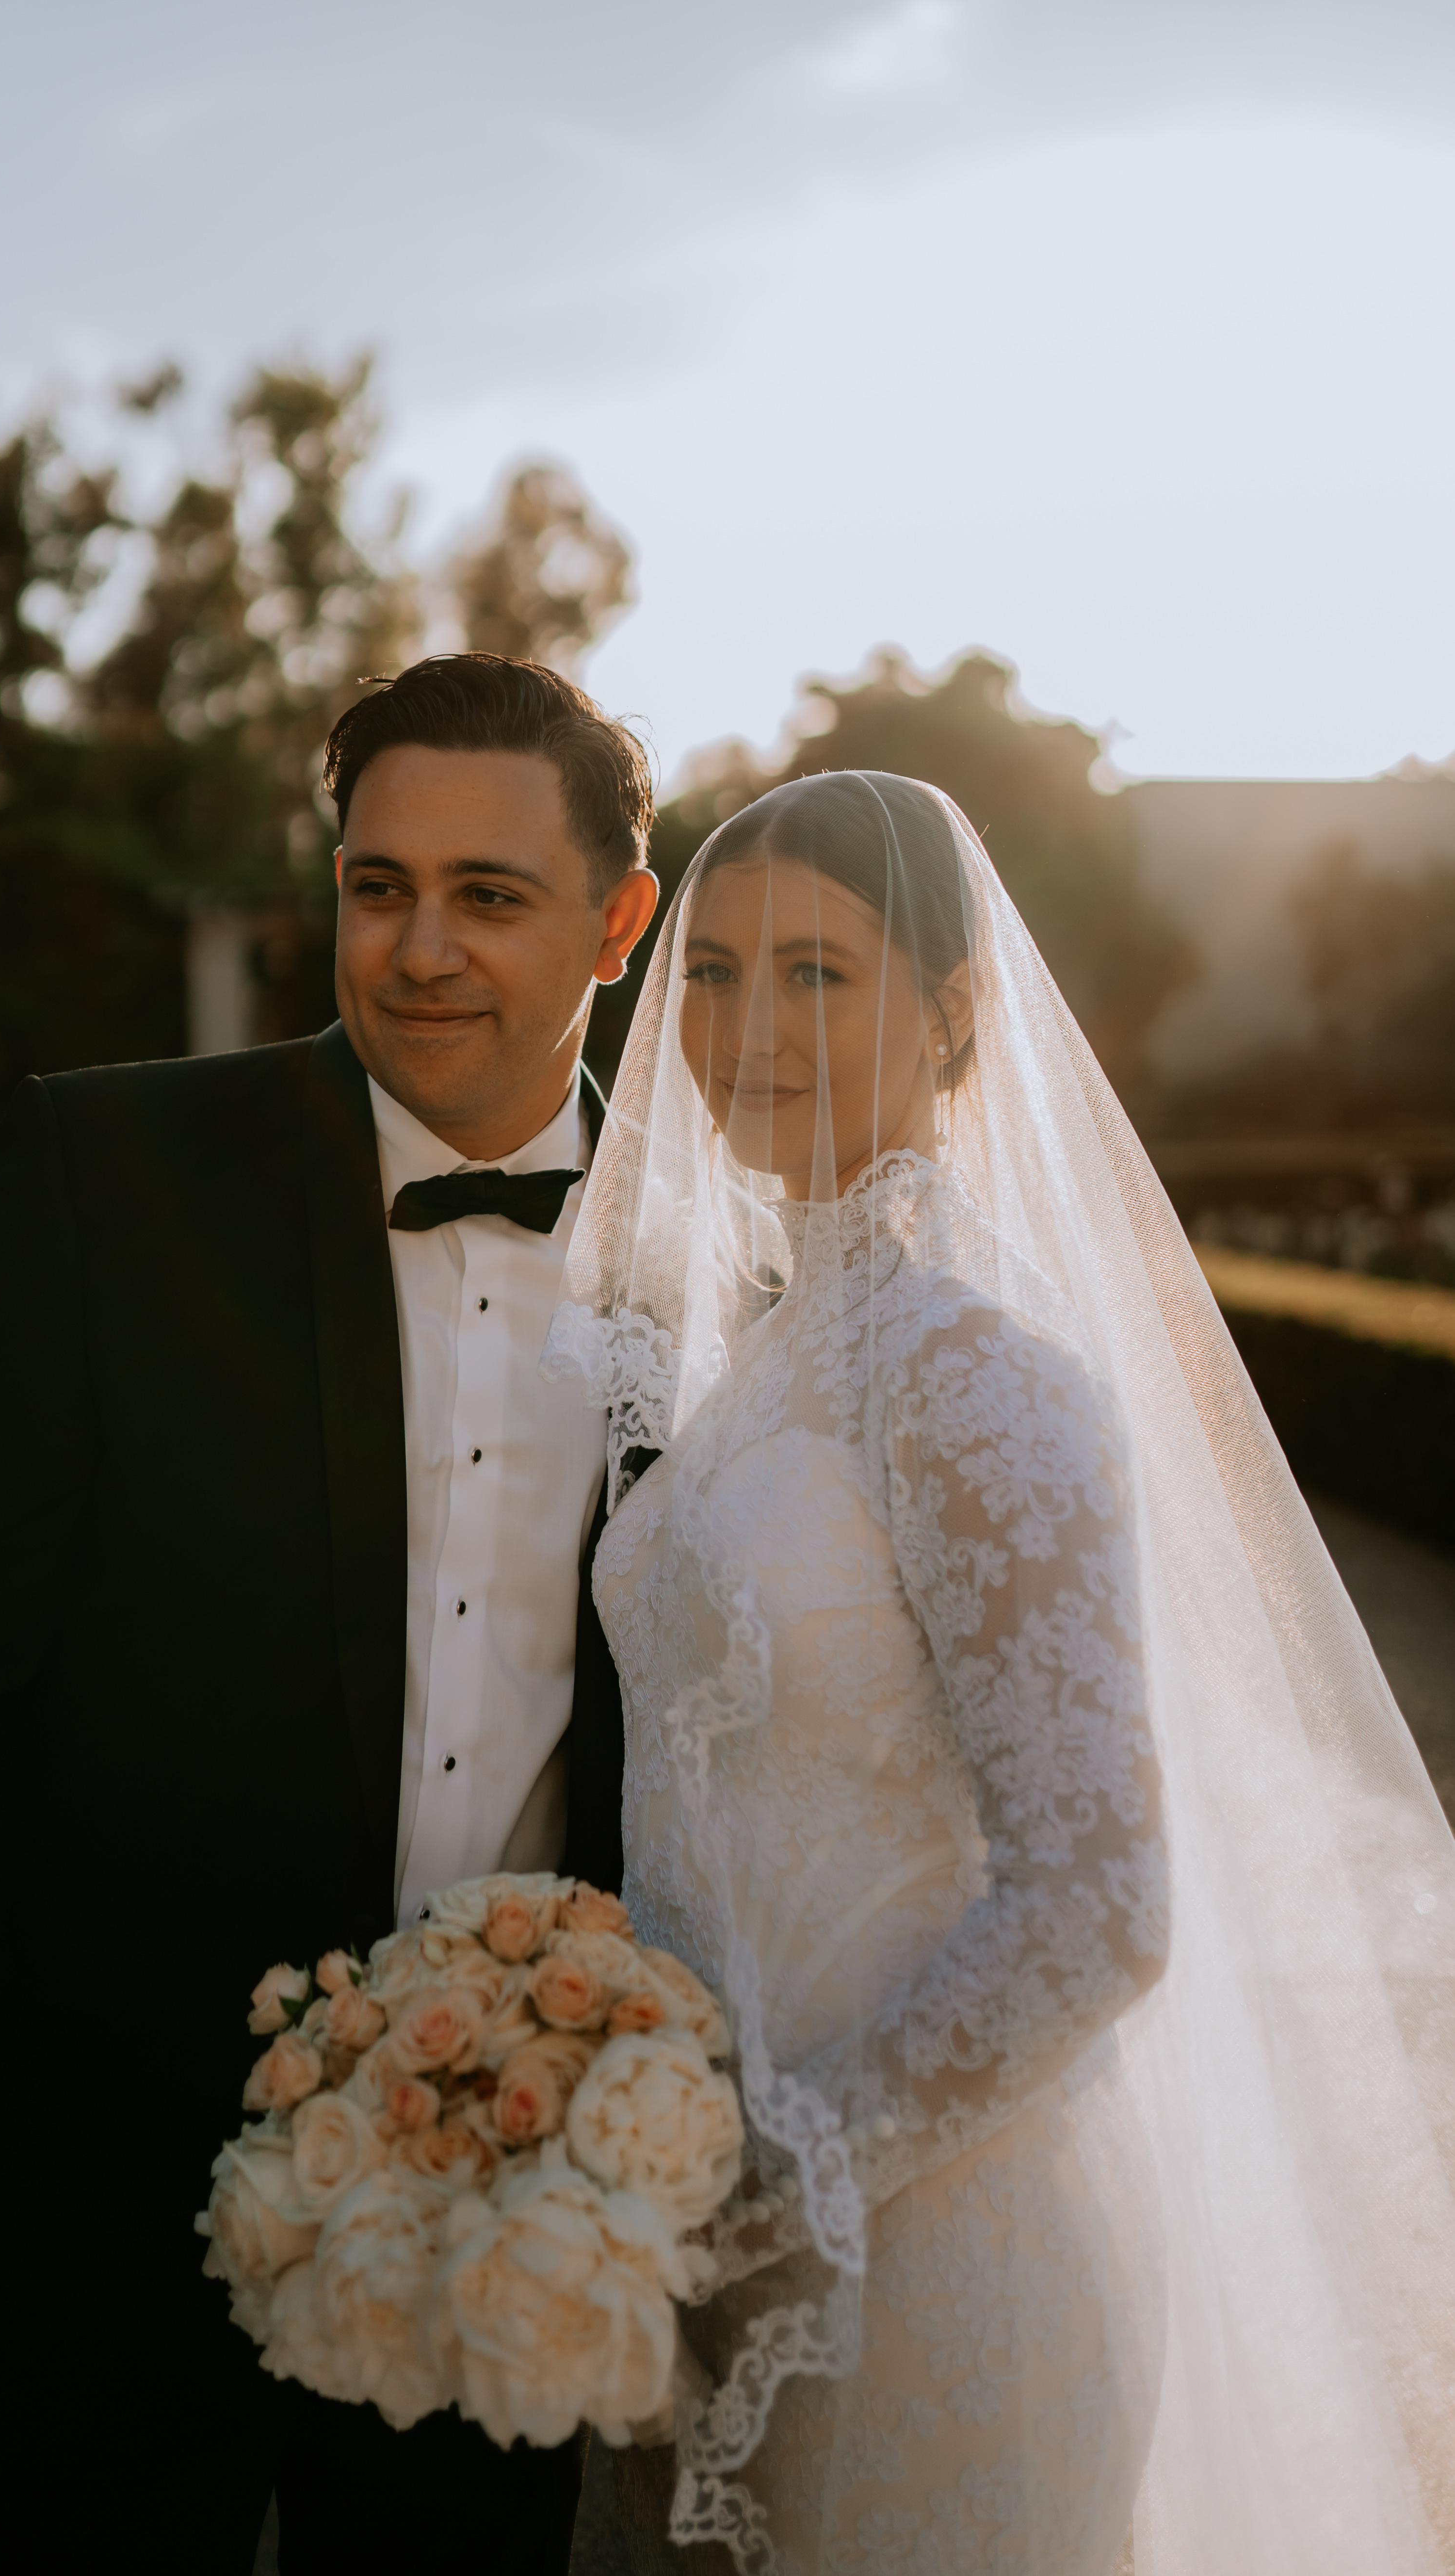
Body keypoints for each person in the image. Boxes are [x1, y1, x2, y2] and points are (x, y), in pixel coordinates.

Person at [545, 771, 1455, 2574]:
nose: (745, 1026)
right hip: (708, 2248)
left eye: (817, 972)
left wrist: (746, 2198)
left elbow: (1098, 1908)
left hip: (946, 2261)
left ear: (954, 1017)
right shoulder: (767, 1355)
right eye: (712, 972)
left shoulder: (974, 1375)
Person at [0, 652, 660, 2576]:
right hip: (101, 2171)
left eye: (489, 894)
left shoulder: (719, 1263)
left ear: (619, 922)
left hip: (508, 2182)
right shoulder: (109, 1167)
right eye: (379, 886)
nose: (419, 949)